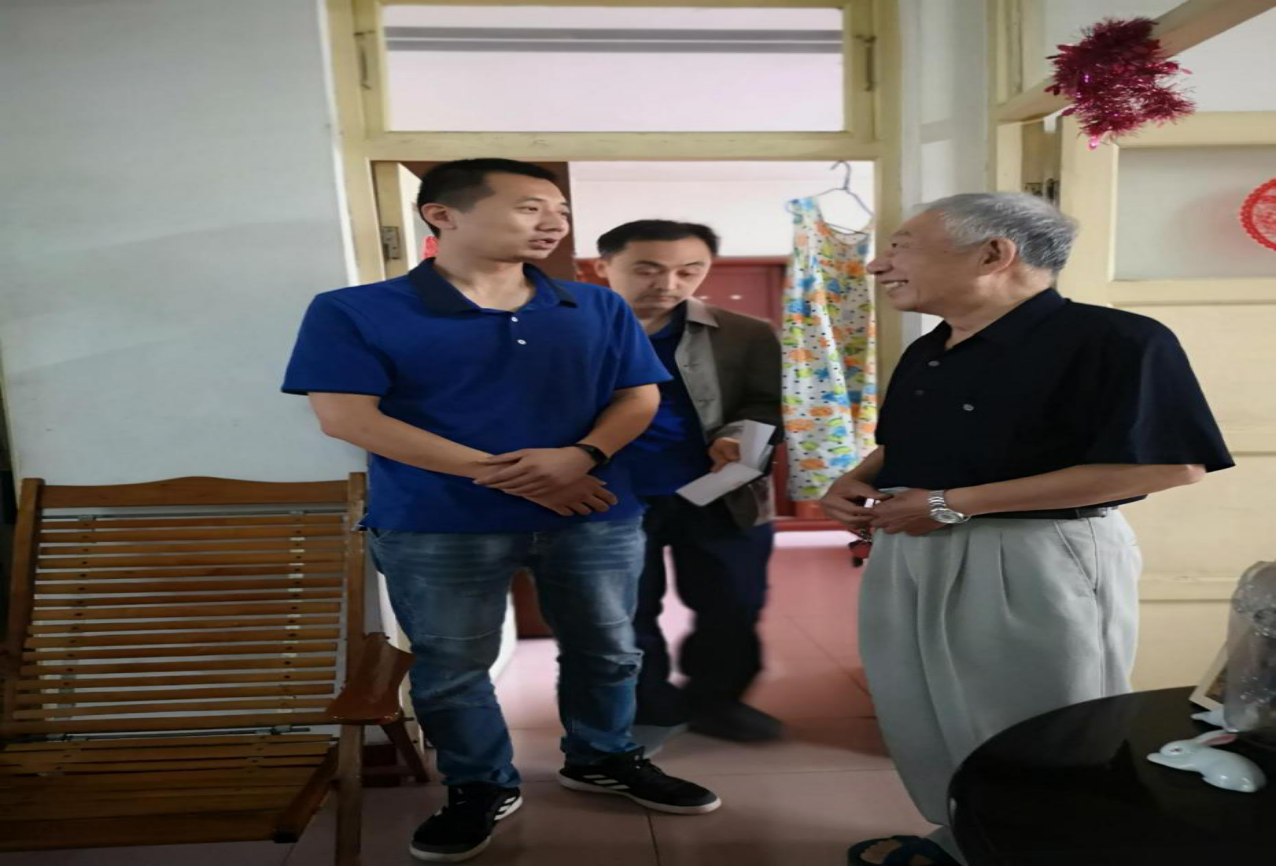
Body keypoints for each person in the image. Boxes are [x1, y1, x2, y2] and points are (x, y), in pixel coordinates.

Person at [283, 159, 721, 864]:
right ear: (443, 215)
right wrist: (524, 479)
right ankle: (478, 784)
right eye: (529, 207)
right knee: (453, 663)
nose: (553, 223)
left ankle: (603, 755)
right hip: (436, 519)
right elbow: (347, 417)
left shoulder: (596, 306)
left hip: (593, 510)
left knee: (609, 648)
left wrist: (581, 456)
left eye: (559, 211)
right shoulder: (353, 309)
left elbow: (637, 397)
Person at [820, 192, 1234, 866]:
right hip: (911, 548)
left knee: (1041, 724)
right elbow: (905, 443)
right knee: (922, 711)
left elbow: (1170, 466)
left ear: (994, 253)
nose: (877, 265)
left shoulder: (1116, 340)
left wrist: (953, 504)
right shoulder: (931, 348)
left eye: (900, 247)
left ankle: (1046, 850)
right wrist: (856, 477)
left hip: (1034, 554)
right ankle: (966, 839)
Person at [594, 220, 784, 750]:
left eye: (688, 271)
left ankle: (717, 701)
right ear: (604, 266)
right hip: (610, 496)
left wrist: (737, 436)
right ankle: (649, 706)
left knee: (734, 603)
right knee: (625, 610)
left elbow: (769, 402)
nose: (668, 283)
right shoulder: (572, 333)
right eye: (648, 269)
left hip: (722, 492)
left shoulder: (745, 333)